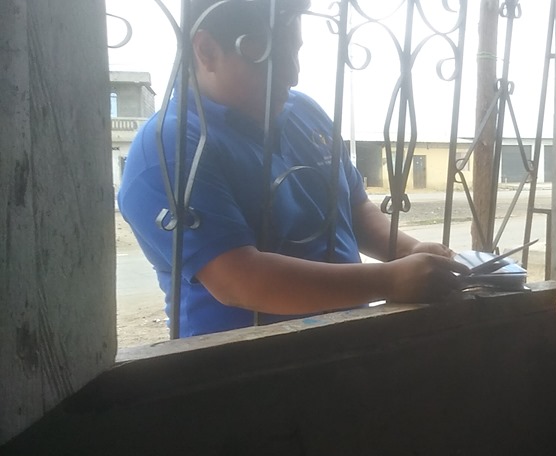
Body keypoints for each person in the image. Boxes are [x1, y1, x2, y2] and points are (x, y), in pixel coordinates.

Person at [118, 0, 468, 338]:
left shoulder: (303, 111)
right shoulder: (170, 147)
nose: (293, 73)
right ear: (207, 51)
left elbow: (354, 207)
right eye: (270, 55)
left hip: (350, 341)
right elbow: (239, 280)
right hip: (243, 362)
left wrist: (408, 252)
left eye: (295, 50)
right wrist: (390, 280)